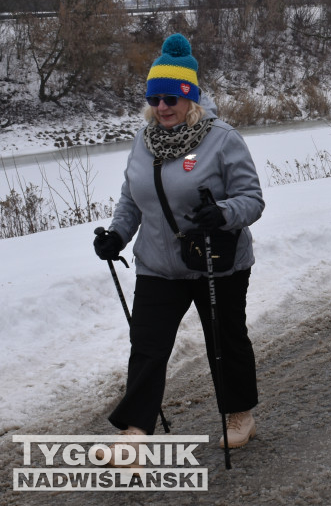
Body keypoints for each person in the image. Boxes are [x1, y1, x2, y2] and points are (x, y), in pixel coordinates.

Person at [93, 33, 265, 454]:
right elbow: (132, 198)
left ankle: (239, 413)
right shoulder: (143, 142)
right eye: (155, 99)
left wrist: (223, 214)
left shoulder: (222, 139)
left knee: (225, 341)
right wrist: (116, 234)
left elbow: (252, 199)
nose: (163, 107)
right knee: (148, 347)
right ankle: (135, 430)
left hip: (216, 262)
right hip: (158, 264)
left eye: (171, 97)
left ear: (191, 98)